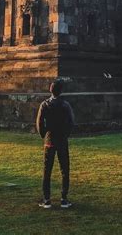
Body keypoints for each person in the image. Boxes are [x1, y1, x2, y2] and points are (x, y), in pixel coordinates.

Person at [36, 79, 75, 209]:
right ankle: (64, 199)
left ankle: (47, 200)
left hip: (50, 140)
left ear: (50, 90)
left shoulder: (45, 104)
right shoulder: (65, 105)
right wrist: (65, 135)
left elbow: (40, 123)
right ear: (61, 91)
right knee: (64, 170)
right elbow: (71, 122)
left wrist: (44, 136)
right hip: (62, 140)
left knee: (47, 170)